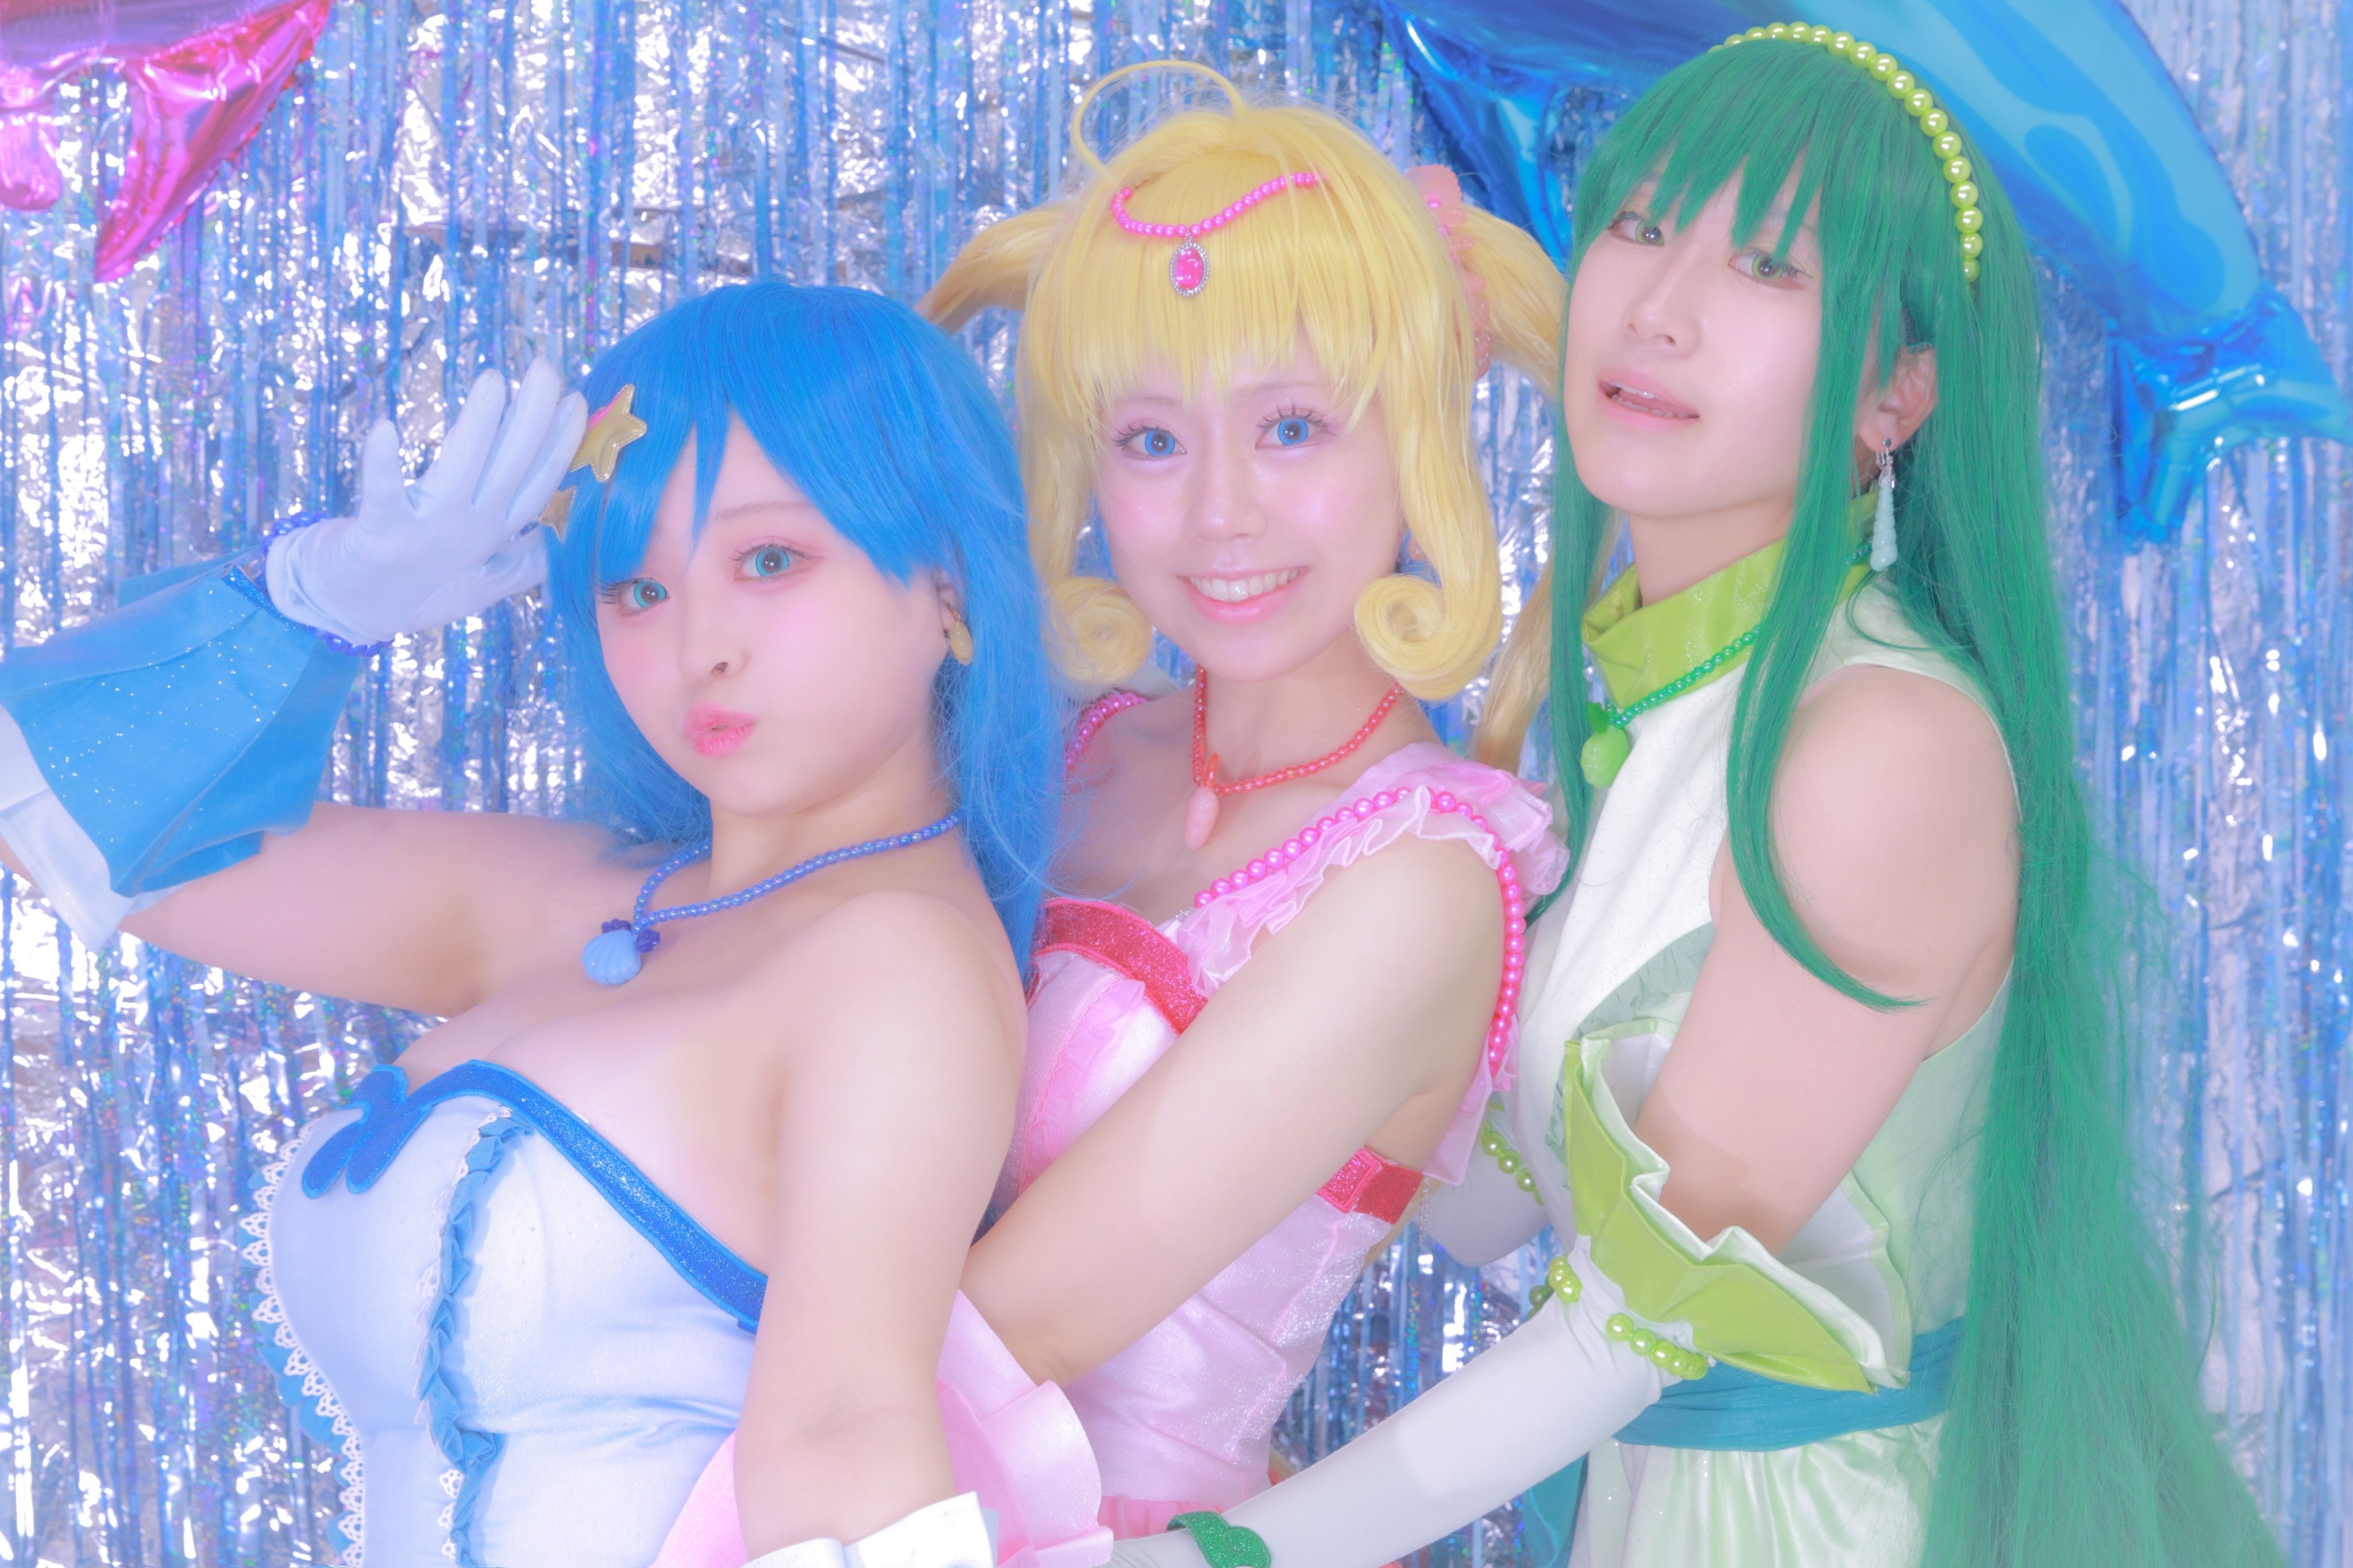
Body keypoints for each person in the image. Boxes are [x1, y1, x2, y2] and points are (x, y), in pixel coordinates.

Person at [1105, 25, 2281, 1568]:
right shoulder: (1645, 716)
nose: (1658, 310)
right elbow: (1473, 1200)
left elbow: (1626, 1328)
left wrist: (1211, 1554)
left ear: (1896, 392)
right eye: (1640, 225)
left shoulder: (1882, 745)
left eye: (1769, 267)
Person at [0, 284, 1097, 1568]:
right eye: (636, 588)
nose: (700, 647)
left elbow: (841, 1437)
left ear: (949, 584)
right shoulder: (584, 896)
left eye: (769, 561)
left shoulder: (897, 963)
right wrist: (300, 603)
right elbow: (76, 823)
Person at [924, 63, 1570, 1536]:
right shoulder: (1073, 750)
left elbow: (1027, 1322)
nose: (1218, 512)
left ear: (1413, 440)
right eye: (1152, 440)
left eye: (1291, 427)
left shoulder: (1420, 880)